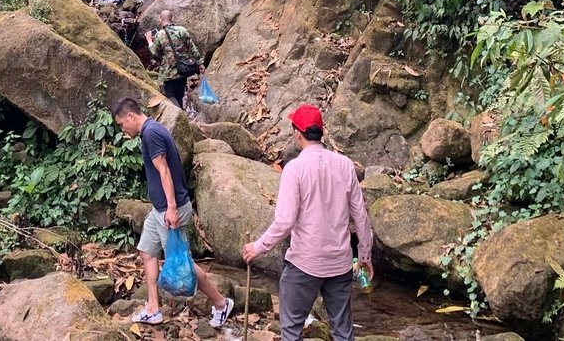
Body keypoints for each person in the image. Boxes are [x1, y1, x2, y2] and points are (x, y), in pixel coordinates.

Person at [242, 104, 374, 341]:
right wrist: (364, 256)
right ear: (321, 132)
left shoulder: (294, 169)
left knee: (291, 330)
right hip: (340, 263)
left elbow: (285, 221)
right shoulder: (345, 165)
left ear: (297, 133)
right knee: (343, 331)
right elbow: (360, 216)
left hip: (305, 264)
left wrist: (258, 247)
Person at [112, 97, 234, 329]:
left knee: (182, 263)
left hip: (171, 209)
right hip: (158, 210)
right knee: (147, 252)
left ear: (130, 116)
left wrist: (171, 208)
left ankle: (221, 303)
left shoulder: (151, 134)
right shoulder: (152, 130)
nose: (122, 129)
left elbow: (164, 171)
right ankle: (153, 309)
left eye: (121, 124)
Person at [146, 10, 202, 109]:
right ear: (173, 19)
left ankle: (180, 116)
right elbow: (192, 48)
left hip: (169, 73)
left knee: (169, 95)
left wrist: (150, 41)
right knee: (179, 96)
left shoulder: (160, 34)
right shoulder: (182, 30)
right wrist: (200, 63)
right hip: (184, 69)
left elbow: (155, 53)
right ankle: (183, 117)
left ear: (160, 20)